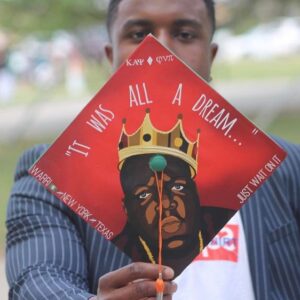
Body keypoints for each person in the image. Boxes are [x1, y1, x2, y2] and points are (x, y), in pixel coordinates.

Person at [5, 0, 300, 299]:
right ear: (111, 57)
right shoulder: (54, 177)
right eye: (138, 34)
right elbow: (37, 280)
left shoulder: (284, 167)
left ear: (211, 56)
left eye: (184, 34)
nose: (162, 50)